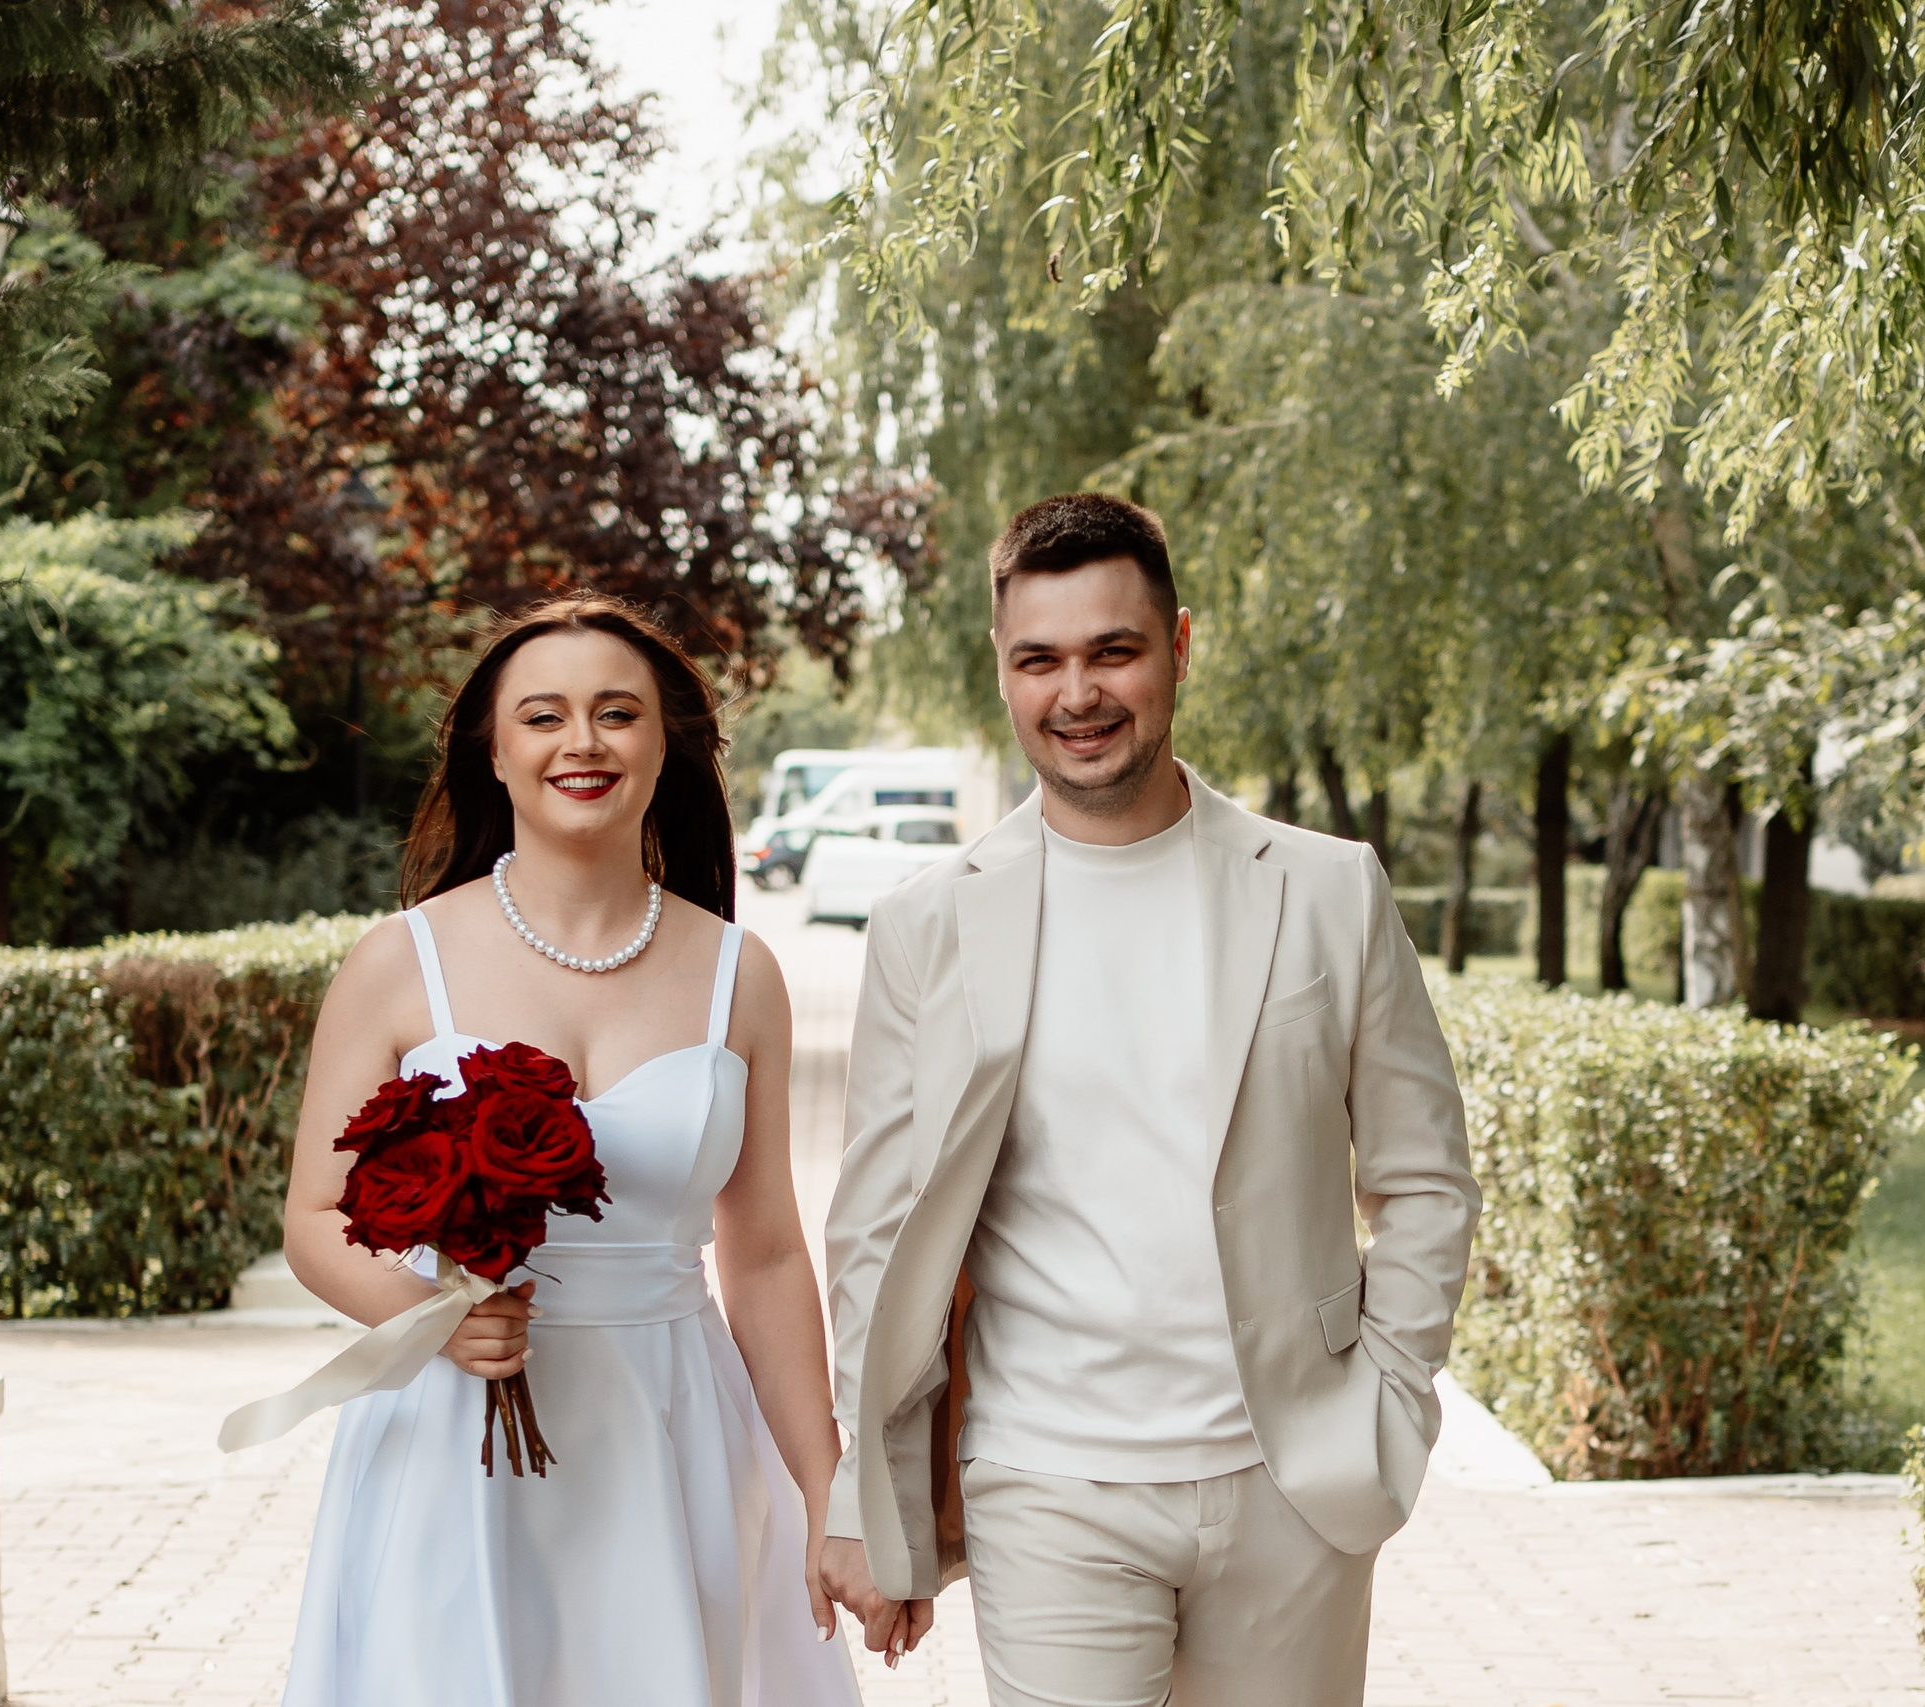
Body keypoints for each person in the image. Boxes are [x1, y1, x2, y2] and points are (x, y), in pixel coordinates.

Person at [816, 494, 1483, 1704]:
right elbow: (876, 1228)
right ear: (1004, 672)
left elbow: (1424, 1176)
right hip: (1044, 1483)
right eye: (1041, 660)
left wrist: (1391, 1390)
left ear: (1177, 646)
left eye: (1112, 651)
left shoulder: (1328, 891)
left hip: (1294, 1477)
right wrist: (867, 1489)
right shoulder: (929, 924)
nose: (1078, 692)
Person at [275, 595, 860, 1706]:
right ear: (492, 752)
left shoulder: (744, 975)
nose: (581, 743)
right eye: (543, 717)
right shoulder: (399, 964)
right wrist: (429, 1312)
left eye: (616, 714)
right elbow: (314, 1219)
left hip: (672, 1425)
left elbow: (770, 1255)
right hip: (455, 1435)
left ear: (661, 744)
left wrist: (827, 1490)